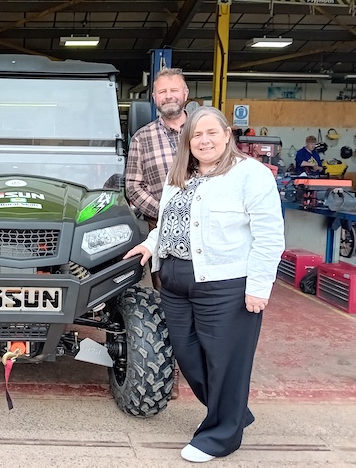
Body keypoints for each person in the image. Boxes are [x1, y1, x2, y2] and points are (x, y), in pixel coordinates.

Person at [123, 106, 285, 463]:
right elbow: (168, 223)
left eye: (212, 132)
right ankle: (234, 413)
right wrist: (150, 246)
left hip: (225, 283)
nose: (204, 140)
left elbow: (270, 236)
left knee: (226, 361)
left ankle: (220, 437)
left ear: (228, 135)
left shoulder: (250, 175)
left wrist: (259, 286)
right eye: (196, 134)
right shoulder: (179, 175)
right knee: (189, 356)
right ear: (188, 141)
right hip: (175, 280)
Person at [125, 67, 189, 290]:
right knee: (167, 289)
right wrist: (165, 209)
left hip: (208, 226)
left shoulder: (204, 133)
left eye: (174, 90)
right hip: (160, 226)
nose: (168, 96)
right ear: (154, 98)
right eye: (162, 92)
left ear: (186, 94)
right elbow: (133, 186)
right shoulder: (142, 138)